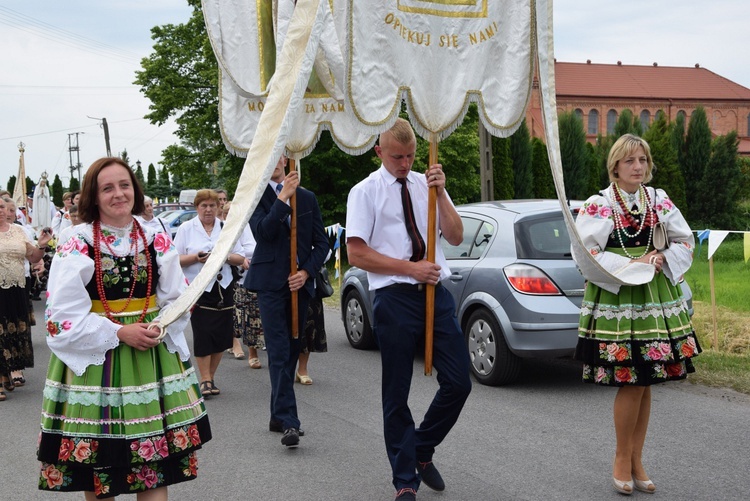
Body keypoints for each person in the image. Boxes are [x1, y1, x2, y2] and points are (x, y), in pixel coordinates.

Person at [37, 157, 211, 500]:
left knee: (153, 469)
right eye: (108, 188)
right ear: (94, 195)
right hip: (98, 358)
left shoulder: (155, 236)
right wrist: (118, 332)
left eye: (125, 185)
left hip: (149, 354)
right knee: (102, 471)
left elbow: (176, 298)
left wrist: (160, 325)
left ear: (135, 189)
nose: (119, 194)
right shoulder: (77, 240)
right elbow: (61, 317)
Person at [345, 118, 472, 500]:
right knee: (396, 391)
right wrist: (409, 267)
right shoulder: (364, 192)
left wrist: (442, 192)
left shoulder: (426, 183)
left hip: (435, 291)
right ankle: (405, 481)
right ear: (379, 152)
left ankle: (420, 449)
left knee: (459, 382)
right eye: (397, 156)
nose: (405, 163)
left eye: (411, 156)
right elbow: (357, 252)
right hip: (394, 296)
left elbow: (454, 235)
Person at [573, 134, 700, 495]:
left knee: (645, 381)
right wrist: (634, 264)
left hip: (655, 299)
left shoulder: (658, 200)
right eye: (630, 161)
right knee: (631, 379)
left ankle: (636, 460)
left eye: (643, 160)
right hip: (618, 299)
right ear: (615, 166)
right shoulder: (599, 205)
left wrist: (660, 260)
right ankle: (621, 457)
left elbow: (685, 240)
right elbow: (585, 253)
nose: (638, 167)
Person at [246, 154, 328, 448]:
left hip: (299, 286)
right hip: (269, 284)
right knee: (279, 350)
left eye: (280, 155)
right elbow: (264, 233)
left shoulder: (307, 198)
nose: (276, 160)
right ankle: (290, 423)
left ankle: (276, 415)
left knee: (293, 349)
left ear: (287, 159)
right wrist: (282, 199)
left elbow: (322, 243)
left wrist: (306, 271)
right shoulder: (255, 196)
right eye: (270, 154)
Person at [175, 189, 244, 397]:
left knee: (222, 337)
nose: (208, 210)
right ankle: (204, 379)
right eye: (203, 206)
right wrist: (196, 257)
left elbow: (240, 257)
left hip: (224, 288)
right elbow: (174, 259)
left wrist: (222, 257)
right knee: (204, 334)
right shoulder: (187, 228)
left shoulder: (226, 228)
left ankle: (210, 377)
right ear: (197, 208)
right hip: (199, 289)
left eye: (212, 206)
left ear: (218, 207)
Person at [0, 197, 50, 400]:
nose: (0, 211)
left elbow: (33, 257)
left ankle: (8, 373)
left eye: (2, 207)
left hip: (17, 289)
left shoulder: (18, 231)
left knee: (13, 332)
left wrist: (42, 246)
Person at [296, 248, 332, 385]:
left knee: (310, 326)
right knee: (284, 329)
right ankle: (284, 368)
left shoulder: (310, 226)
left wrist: (310, 259)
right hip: (283, 283)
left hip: (310, 284)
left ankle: (302, 370)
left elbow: (326, 251)